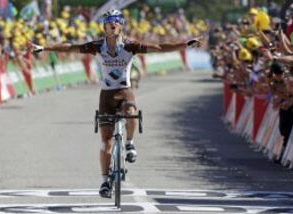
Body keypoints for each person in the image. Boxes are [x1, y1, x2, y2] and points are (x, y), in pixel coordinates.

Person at [30, 9, 201, 198]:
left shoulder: (130, 46)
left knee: (130, 110)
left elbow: (160, 47)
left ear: (121, 25)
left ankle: (129, 143)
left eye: (117, 21)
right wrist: (45, 48)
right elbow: (71, 47)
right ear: (104, 26)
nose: (113, 24)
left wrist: (185, 44)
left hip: (124, 91)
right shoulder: (96, 46)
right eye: (109, 21)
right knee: (105, 142)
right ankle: (104, 181)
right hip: (106, 96)